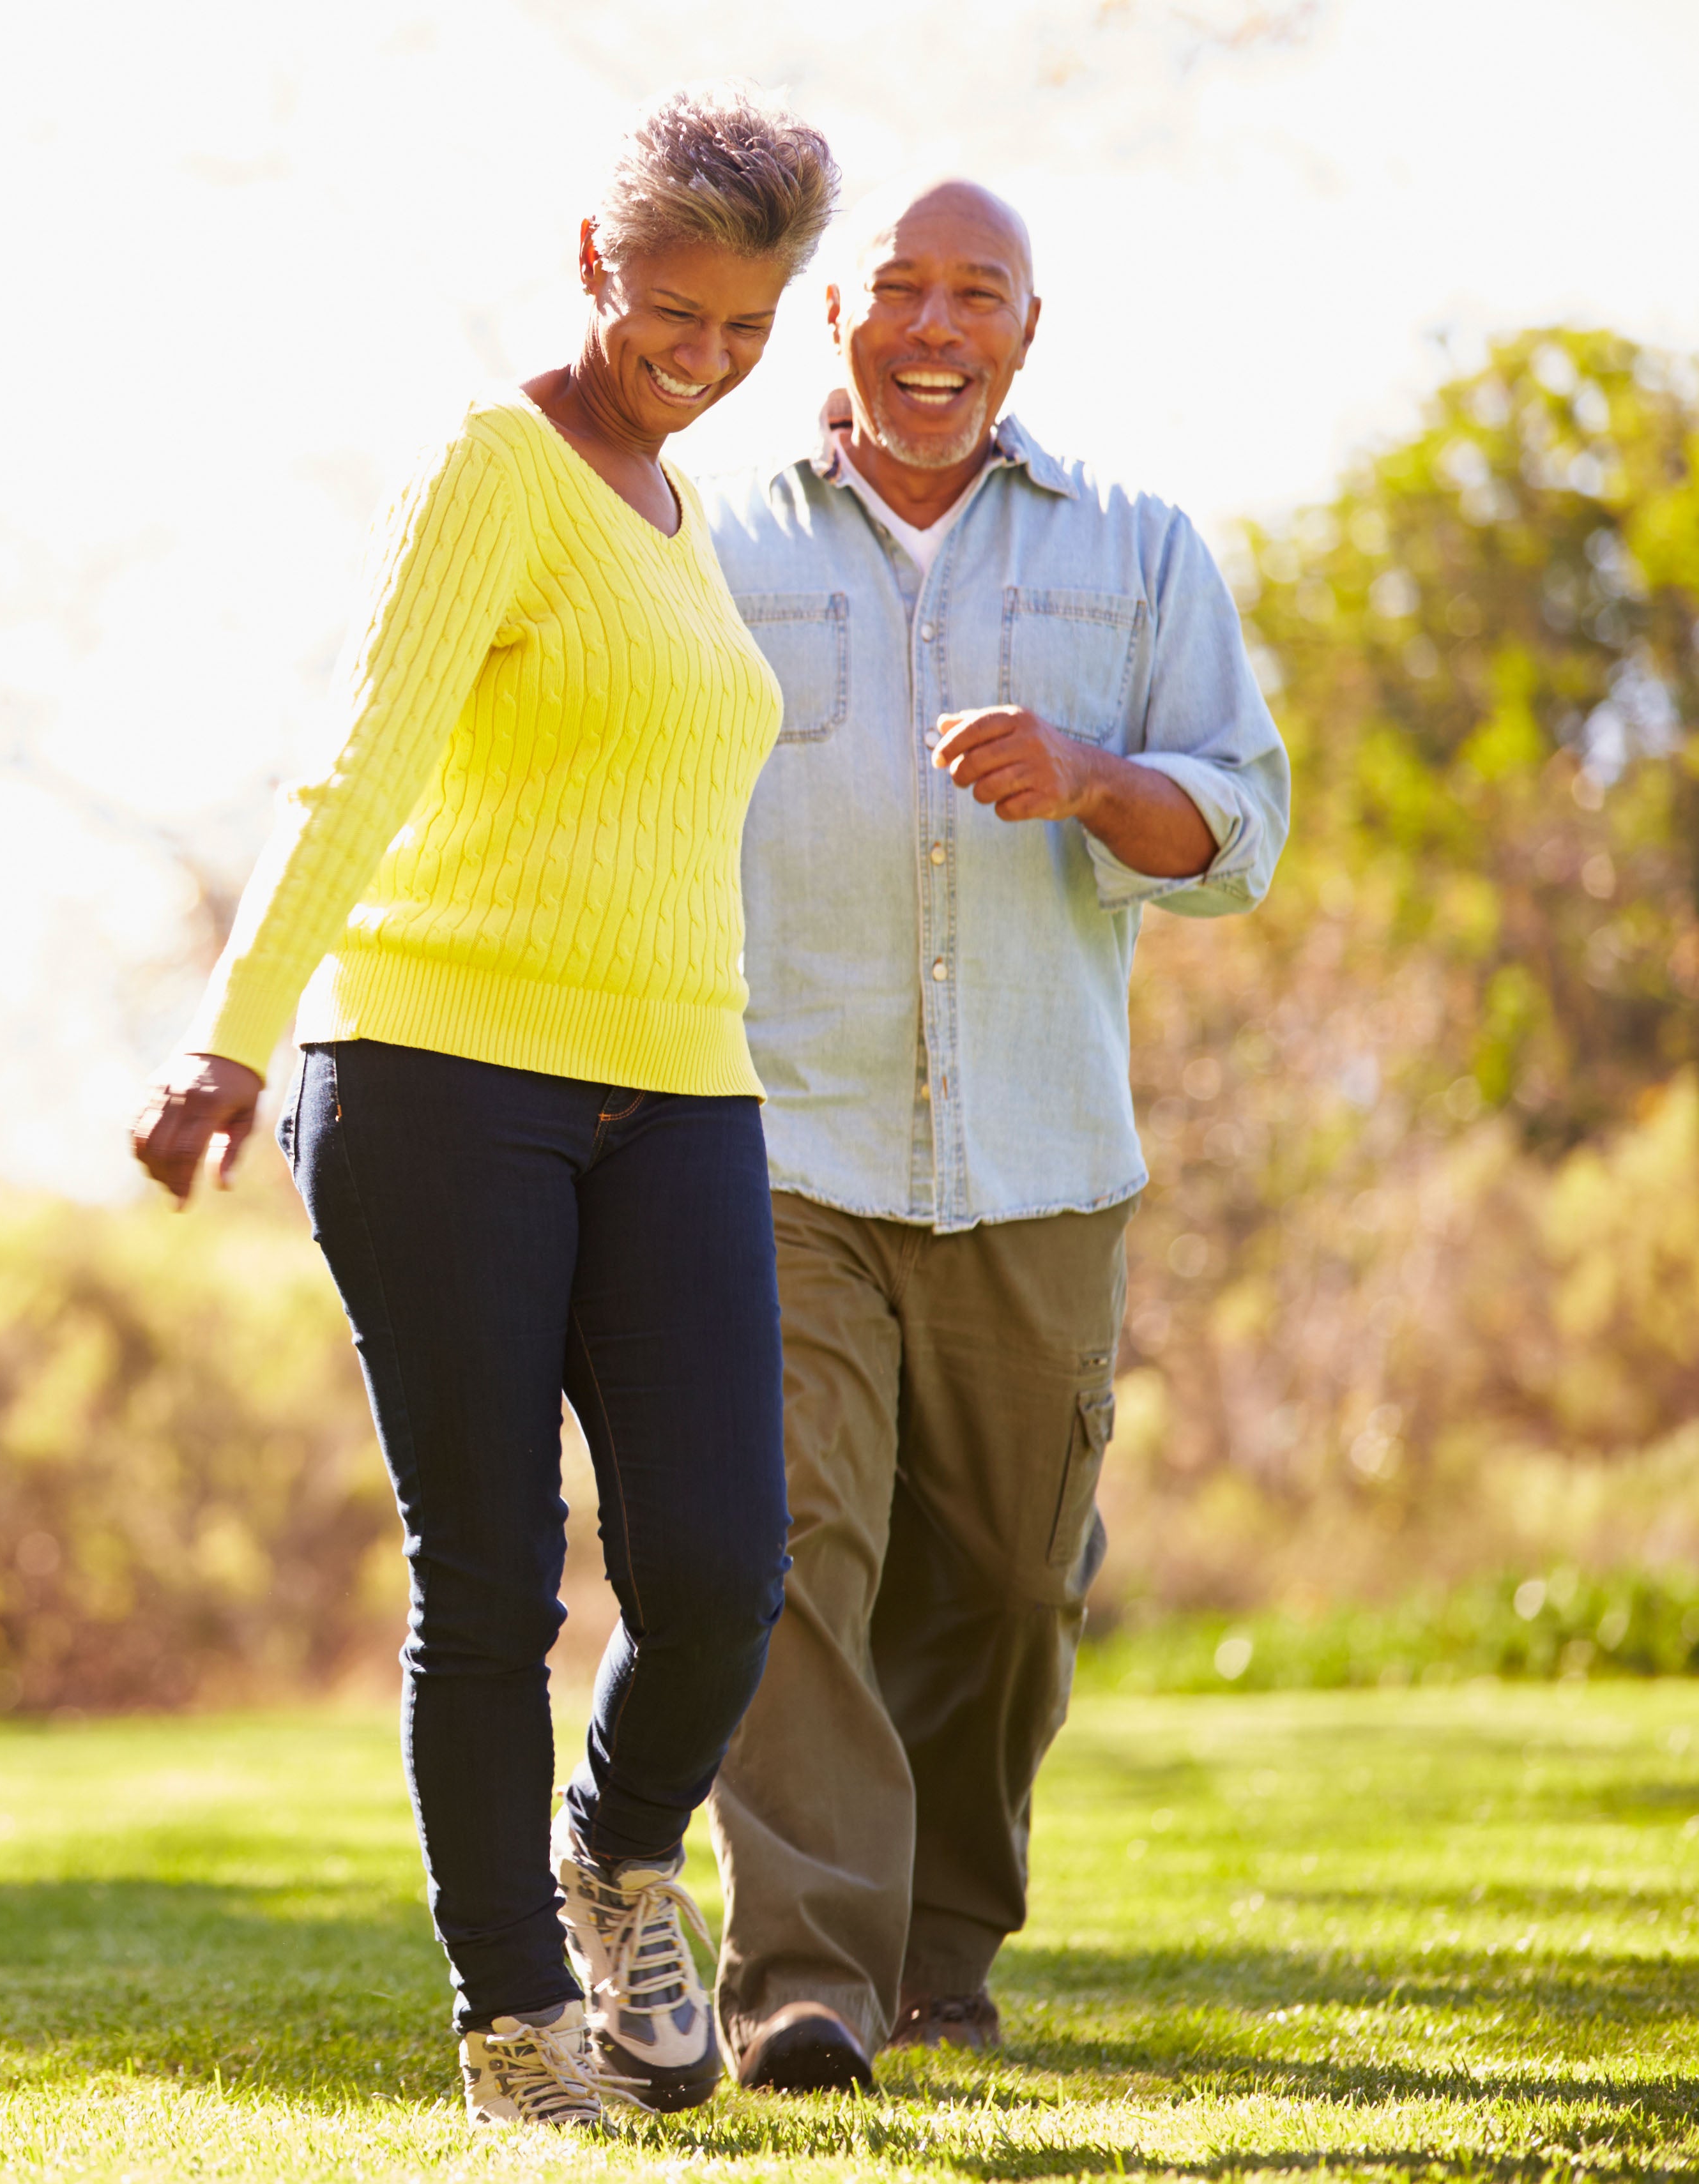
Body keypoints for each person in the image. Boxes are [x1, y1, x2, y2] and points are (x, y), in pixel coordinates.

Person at [127, 87, 838, 2130]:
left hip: (679, 1078)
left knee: (716, 1559)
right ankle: (518, 2022)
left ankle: (614, 1867)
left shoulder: (682, 521)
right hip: (438, 1070)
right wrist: (226, 1039)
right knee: (496, 1571)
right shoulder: (494, 465)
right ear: (594, 263)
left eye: (742, 330)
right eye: (669, 317)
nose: (699, 362)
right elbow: (353, 763)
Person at [699, 180, 1291, 2091]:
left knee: (1013, 1579)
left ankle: (941, 1944)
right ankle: (805, 1975)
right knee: (788, 1550)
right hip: (782, 1146)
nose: (932, 328)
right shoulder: (715, 545)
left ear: (1029, 330)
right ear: (832, 325)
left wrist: (1096, 778)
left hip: (1043, 1160)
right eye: (896, 293)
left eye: (976, 295)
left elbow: (1242, 828)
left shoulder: (1136, 549)